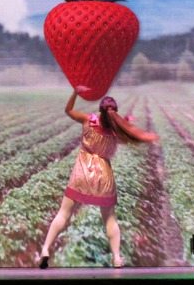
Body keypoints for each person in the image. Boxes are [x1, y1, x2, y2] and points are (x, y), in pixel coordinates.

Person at [37, 85, 160, 269]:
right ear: (114, 114)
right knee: (109, 219)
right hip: (104, 176)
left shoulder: (88, 121)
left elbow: (68, 110)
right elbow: (120, 130)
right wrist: (126, 121)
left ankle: (46, 249)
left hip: (82, 172)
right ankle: (116, 258)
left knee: (64, 213)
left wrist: (75, 93)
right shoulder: (117, 132)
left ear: (99, 110)